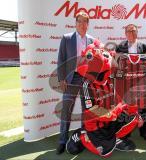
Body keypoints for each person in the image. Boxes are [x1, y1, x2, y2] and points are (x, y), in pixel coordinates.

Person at [56, 11, 95, 155]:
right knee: (66, 110)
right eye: (80, 21)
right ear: (76, 22)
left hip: (86, 80)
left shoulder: (92, 40)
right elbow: (61, 59)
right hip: (71, 79)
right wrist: (61, 78)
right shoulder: (67, 38)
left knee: (86, 111)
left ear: (88, 24)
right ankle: (62, 141)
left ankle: (83, 140)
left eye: (85, 21)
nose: (82, 24)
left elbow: (96, 62)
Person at [115, 24, 146, 140]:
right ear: (125, 33)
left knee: (142, 106)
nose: (131, 33)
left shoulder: (145, 46)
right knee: (126, 107)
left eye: (133, 31)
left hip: (141, 82)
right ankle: (126, 131)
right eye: (129, 31)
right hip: (126, 83)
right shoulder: (120, 47)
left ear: (137, 32)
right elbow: (117, 65)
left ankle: (144, 131)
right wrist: (118, 81)